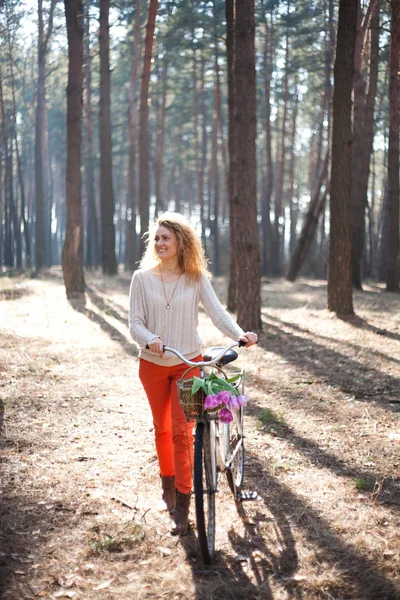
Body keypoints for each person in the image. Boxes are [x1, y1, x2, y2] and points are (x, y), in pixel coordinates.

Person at [129, 212, 258, 536]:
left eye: (165, 238)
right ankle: (167, 491)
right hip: (153, 366)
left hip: (189, 365)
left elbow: (217, 312)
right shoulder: (142, 278)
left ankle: (184, 508)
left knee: (182, 433)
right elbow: (135, 324)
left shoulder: (195, 277)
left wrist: (241, 333)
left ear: (181, 242)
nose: (159, 243)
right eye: (156, 238)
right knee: (161, 429)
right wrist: (150, 339)